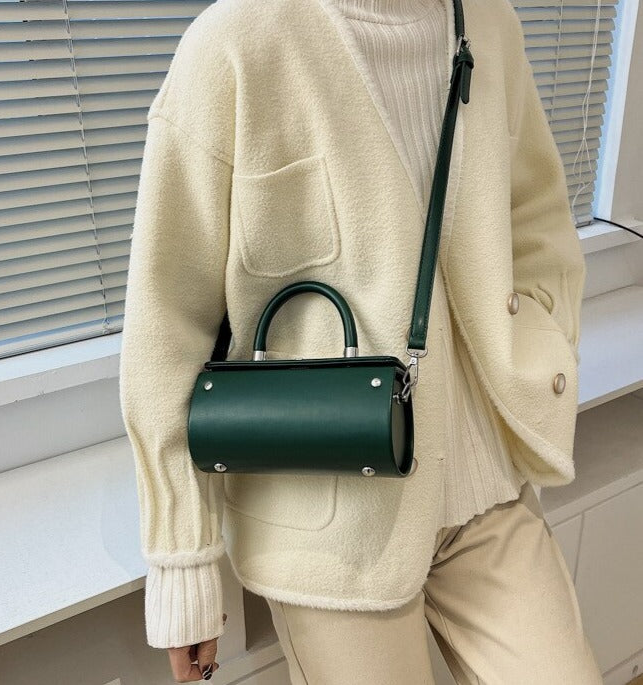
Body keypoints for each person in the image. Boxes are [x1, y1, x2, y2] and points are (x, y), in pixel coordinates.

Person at [119, 0, 603, 682]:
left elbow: (538, 223)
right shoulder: (234, 43)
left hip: (489, 494)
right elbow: (165, 327)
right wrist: (183, 560)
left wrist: (541, 350)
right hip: (330, 526)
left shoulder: (489, 23)